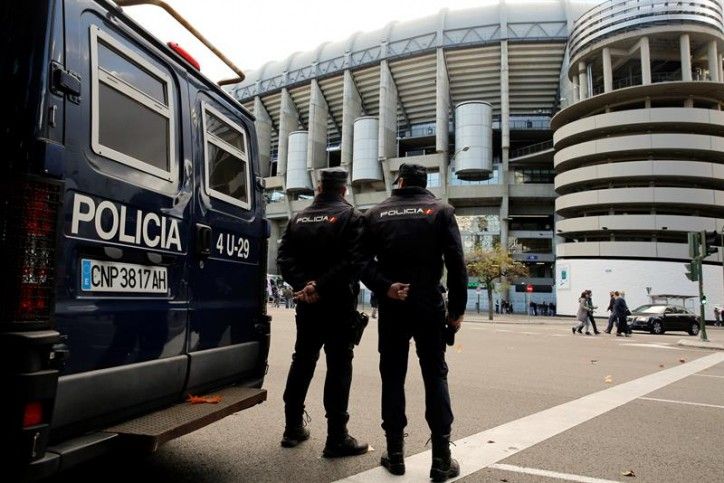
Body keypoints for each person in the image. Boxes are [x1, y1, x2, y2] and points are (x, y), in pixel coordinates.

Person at [362, 163, 467, 481]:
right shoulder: (441, 211)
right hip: (429, 305)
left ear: (400, 181)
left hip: (393, 306)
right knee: (435, 376)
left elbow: (360, 262)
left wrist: (384, 286)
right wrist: (456, 311)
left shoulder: (376, 213)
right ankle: (440, 460)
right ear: (424, 184)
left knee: (392, 377)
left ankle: (395, 456)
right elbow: (456, 264)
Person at [276, 167, 369, 457]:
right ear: (343, 190)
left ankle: (292, 428)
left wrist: (305, 286)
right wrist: (321, 286)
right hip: (339, 303)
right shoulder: (352, 217)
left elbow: (283, 259)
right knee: (339, 366)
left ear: (318, 188)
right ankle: (337, 437)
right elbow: (354, 262)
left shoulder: (297, 218)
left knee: (302, 361)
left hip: (307, 304)